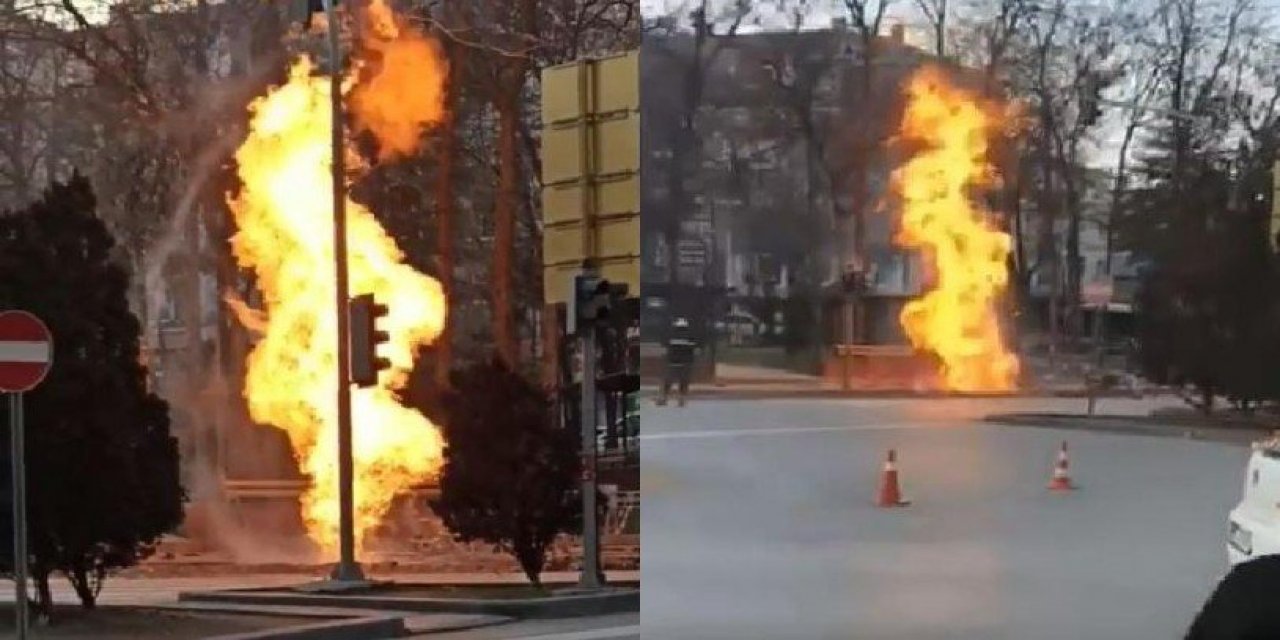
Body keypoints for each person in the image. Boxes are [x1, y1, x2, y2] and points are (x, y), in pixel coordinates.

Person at [657, 317, 696, 407]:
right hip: (685, 363)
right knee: (683, 382)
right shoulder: (690, 337)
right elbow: (692, 350)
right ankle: (682, 400)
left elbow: (666, 346)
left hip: (673, 362)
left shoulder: (671, 336)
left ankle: (663, 399)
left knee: (668, 381)